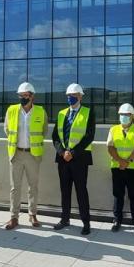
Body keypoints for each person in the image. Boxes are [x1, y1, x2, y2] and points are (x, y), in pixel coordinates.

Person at [51, 83, 96, 235]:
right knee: (65, 191)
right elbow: (55, 136)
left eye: (74, 95)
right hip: (63, 159)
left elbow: (89, 136)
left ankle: (86, 222)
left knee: (81, 191)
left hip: (79, 159)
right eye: (69, 96)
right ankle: (65, 219)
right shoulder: (62, 113)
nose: (71, 98)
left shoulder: (88, 112)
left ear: (81, 96)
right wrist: (62, 152)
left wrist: (73, 153)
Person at [4, 82, 46, 229]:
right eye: (21, 96)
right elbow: (7, 129)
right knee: (15, 187)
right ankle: (14, 217)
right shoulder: (11, 110)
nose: (23, 98)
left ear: (32, 96)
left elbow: (44, 130)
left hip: (33, 154)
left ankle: (32, 214)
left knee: (33, 186)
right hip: (16, 154)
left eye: (26, 95)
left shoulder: (40, 111)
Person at [108, 103, 134, 233]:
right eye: (122, 114)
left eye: (127, 114)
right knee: (118, 195)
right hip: (117, 167)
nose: (124, 117)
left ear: (132, 116)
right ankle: (117, 220)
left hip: (133, 168)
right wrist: (120, 161)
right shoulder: (113, 129)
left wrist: (128, 161)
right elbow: (110, 147)